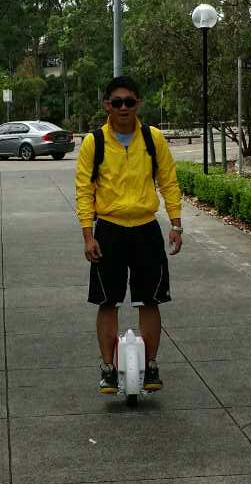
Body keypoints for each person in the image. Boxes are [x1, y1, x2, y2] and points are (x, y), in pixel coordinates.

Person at [75, 75, 183, 394]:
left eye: (130, 102)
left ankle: (151, 365)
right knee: (107, 301)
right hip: (109, 230)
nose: (124, 107)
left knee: (150, 300)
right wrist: (88, 235)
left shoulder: (152, 138)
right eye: (117, 102)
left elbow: (169, 181)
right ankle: (108, 368)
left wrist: (176, 224)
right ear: (107, 105)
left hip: (146, 229)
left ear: (138, 103)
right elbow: (84, 191)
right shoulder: (94, 142)